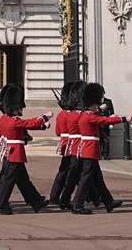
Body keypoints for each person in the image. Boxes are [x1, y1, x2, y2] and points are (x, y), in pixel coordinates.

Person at [0, 83, 51, 214]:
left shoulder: (3, 119)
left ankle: (36, 201)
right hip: (15, 153)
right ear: (15, 107)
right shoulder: (15, 121)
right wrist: (44, 116)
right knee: (8, 180)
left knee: (22, 179)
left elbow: (22, 127)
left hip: (8, 151)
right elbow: (30, 123)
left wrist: (42, 127)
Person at [70, 82, 127, 215]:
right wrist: (123, 119)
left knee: (98, 179)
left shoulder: (86, 114)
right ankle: (77, 205)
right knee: (86, 178)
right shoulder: (88, 116)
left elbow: (99, 119)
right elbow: (103, 121)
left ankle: (108, 202)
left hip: (90, 149)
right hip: (89, 150)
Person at [48, 80, 85, 209]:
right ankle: (65, 197)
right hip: (74, 144)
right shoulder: (72, 114)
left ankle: (55, 195)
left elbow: (58, 132)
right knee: (73, 172)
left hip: (65, 143)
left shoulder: (61, 115)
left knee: (65, 171)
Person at [98, 91, 115, 160]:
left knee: (106, 139)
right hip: (98, 123)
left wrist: (112, 123)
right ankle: (98, 154)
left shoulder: (108, 101)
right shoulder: (96, 102)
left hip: (106, 123)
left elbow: (112, 113)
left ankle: (106, 154)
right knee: (99, 139)